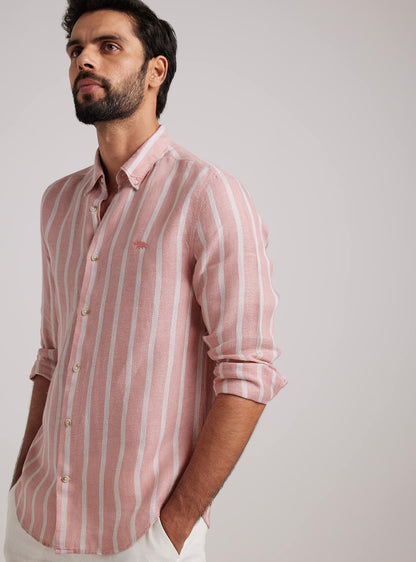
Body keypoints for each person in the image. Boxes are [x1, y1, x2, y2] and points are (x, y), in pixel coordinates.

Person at [3, 1, 288, 560]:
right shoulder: (58, 202)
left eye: (108, 46)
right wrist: (18, 487)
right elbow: (52, 357)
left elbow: (247, 371)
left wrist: (173, 527)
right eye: (75, 49)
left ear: (156, 70)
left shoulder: (207, 195)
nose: (84, 60)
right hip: (34, 524)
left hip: (140, 534)